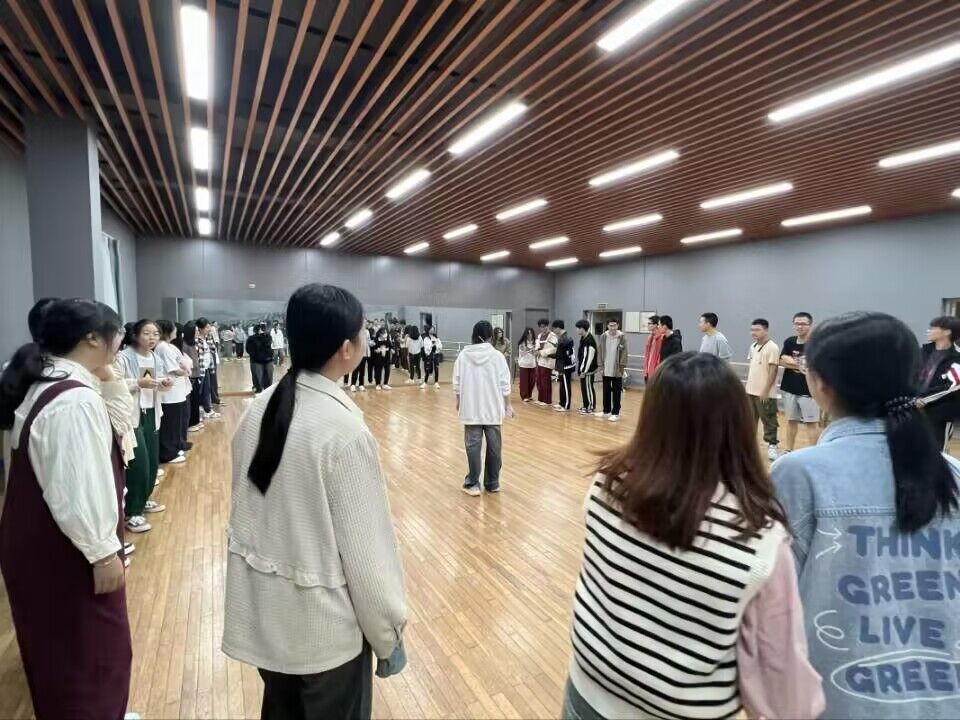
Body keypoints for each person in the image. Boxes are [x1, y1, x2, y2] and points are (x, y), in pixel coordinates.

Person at [564, 351, 823, 720]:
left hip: (587, 689)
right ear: (736, 424)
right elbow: (782, 676)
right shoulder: (759, 539)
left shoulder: (609, 482)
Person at [223, 284, 407, 719]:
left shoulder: (260, 406)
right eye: (362, 331)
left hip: (271, 624)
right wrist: (389, 636)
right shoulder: (343, 432)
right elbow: (367, 557)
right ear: (346, 348)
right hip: (325, 639)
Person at [773, 312, 960, 719]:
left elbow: (773, 610)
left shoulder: (798, 474)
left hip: (836, 702)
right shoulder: (954, 475)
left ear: (820, 384)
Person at [0, 298, 134, 720]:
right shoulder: (73, 400)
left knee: (61, 650)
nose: (121, 340)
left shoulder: (51, 379)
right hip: (65, 551)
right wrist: (102, 551)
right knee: (89, 653)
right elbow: (76, 486)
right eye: (117, 332)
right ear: (93, 338)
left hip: (41, 546)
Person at [117, 320, 170, 533]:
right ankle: (132, 511)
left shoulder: (154, 357)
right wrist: (137, 383)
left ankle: (143, 500)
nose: (152, 337)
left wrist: (164, 383)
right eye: (147, 333)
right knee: (138, 465)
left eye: (155, 334)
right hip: (132, 416)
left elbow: (156, 385)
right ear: (135, 335)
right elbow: (114, 385)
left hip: (151, 412)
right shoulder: (123, 357)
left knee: (151, 463)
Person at [453, 321, 513, 496]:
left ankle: (472, 483)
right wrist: (508, 404)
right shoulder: (497, 356)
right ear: (489, 336)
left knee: (473, 447)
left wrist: (458, 401)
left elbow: (456, 382)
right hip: (493, 408)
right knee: (494, 448)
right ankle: (492, 483)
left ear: (474, 335)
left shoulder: (463, 356)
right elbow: (505, 383)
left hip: (471, 407)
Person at [916, 315, 960, 450]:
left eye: (933, 328)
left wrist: (923, 399)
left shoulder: (957, 357)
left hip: (939, 415)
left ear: (947, 332)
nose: (928, 331)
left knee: (937, 454)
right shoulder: (922, 351)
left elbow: (952, 386)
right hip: (914, 411)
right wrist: (912, 398)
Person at [779, 312, 821, 452]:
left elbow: (813, 367)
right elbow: (781, 361)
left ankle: (814, 453)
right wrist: (801, 364)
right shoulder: (789, 342)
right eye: (797, 323)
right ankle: (788, 450)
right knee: (791, 421)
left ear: (810, 325)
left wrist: (791, 361)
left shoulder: (816, 344)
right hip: (790, 388)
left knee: (811, 423)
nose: (799, 326)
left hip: (809, 391)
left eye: (803, 324)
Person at [155, 320, 191, 466]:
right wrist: (185, 371)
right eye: (174, 328)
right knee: (169, 424)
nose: (176, 330)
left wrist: (184, 369)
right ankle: (168, 453)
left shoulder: (169, 346)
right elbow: (174, 369)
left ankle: (175, 447)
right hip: (169, 393)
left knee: (176, 422)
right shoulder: (163, 347)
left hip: (176, 391)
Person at [746, 318, 781, 461]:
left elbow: (773, 370)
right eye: (752, 330)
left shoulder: (772, 347)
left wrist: (766, 390)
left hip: (765, 393)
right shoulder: (753, 346)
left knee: (769, 420)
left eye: (757, 330)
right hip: (750, 391)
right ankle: (749, 446)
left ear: (766, 330)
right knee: (749, 420)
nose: (754, 332)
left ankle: (772, 445)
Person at [596, 319, 628, 422]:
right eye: (610, 325)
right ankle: (606, 411)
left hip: (617, 369)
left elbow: (625, 352)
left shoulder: (622, 337)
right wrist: (600, 366)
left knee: (616, 392)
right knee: (606, 390)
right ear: (608, 326)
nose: (612, 328)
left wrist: (622, 367)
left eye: (614, 325)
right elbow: (600, 351)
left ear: (618, 325)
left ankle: (615, 413)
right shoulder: (603, 336)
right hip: (606, 368)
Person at [181, 321, 205, 432]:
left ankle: (195, 421)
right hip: (190, 376)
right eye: (195, 331)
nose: (197, 332)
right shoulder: (184, 345)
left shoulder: (192, 343)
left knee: (196, 400)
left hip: (196, 374)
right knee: (191, 401)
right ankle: (191, 423)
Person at [575, 319, 598, 415]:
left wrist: (583, 371)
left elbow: (588, 357)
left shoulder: (589, 340)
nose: (577, 330)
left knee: (588, 387)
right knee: (584, 388)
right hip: (584, 369)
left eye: (578, 328)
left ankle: (590, 407)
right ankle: (586, 405)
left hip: (588, 370)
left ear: (582, 329)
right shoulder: (583, 338)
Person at [552, 320, 575, 412]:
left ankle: (566, 405)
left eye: (554, 329)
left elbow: (559, 355)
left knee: (565, 385)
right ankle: (562, 403)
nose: (553, 331)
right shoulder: (563, 338)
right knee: (562, 385)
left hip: (565, 366)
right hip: (563, 365)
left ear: (558, 328)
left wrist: (545, 354)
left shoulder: (564, 339)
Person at [246, 323, 274, 393]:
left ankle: (268, 390)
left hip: (268, 360)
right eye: (262, 329)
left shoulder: (268, 337)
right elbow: (248, 349)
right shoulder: (251, 338)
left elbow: (267, 343)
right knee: (257, 377)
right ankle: (258, 390)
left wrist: (261, 335)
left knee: (269, 377)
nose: (264, 330)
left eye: (264, 329)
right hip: (256, 361)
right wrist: (255, 356)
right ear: (257, 330)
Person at [535, 318, 557, 406]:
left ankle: (547, 400)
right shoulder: (539, 335)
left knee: (545, 380)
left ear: (547, 326)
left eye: (544, 327)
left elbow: (553, 349)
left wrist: (541, 352)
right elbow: (537, 345)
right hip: (540, 360)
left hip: (548, 361)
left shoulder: (552, 336)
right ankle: (540, 399)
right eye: (541, 327)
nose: (542, 328)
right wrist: (536, 350)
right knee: (539, 380)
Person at [517, 327, 538, 403]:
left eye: (531, 333)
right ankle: (524, 396)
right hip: (524, 364)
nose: (530, 335)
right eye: (528, 333)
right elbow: (523, 352)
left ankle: (529, 395)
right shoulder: (522, 343)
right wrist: (531, 350)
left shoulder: (535, 342)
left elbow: (536, 353)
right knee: (524, 382)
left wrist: (535, 350)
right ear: (525, 334)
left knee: (532, 381)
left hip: (532, 364)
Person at [372, 325, 393, 390]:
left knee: (387, 370)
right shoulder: (376, 339)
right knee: (378, 371)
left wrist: (391, 349)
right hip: (378, 357)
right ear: (380, 333)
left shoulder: (387, 338)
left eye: (385, 333)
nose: (385, 334)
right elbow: (373, 348)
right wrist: (376, 350)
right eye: (383, 333)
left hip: (386, 357)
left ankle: (385, 384)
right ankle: (378, 384)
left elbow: (390, 346)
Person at [642, 314, 662, 382]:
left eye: (649, 323)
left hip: (655, 374)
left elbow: (659, 357)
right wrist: (645, 371)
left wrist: (656, 372)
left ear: (656, 325)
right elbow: (647, 355)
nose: (647, 325)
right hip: (647, 372)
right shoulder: (650, 337)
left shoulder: (661, 338)